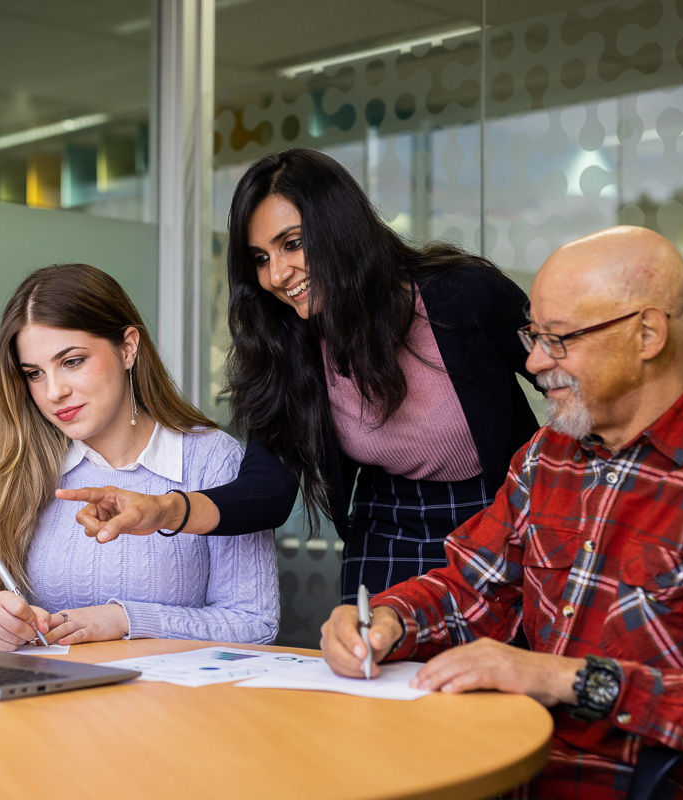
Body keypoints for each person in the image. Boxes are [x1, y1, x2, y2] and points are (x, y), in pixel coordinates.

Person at [320, 226, 683, 799]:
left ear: (648, 334)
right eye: (533, 335)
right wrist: (387, 620)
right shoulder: (546, 456)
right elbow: (470, 591)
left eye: (559, 339)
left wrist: (564, 679)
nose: (534, 361)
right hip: (515, 763)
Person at [59, 149, 539, 602]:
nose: (277, 275)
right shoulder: (287, 347)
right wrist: (162, 510)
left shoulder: (463, 295)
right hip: (389, 524)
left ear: (341, 229)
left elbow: (575, 376)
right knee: (378, 678)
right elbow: (266, 493)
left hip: (501, 508)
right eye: (261, 259)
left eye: (292, 244)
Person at [0, 263, 278, 650]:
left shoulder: (211, 459)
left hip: (168, 705)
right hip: (43, 704)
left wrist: (123, 620)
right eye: (34, 373)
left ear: (128, 348)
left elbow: (254, 623)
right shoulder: (17, 460)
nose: (54, 392)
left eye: (72, 362)